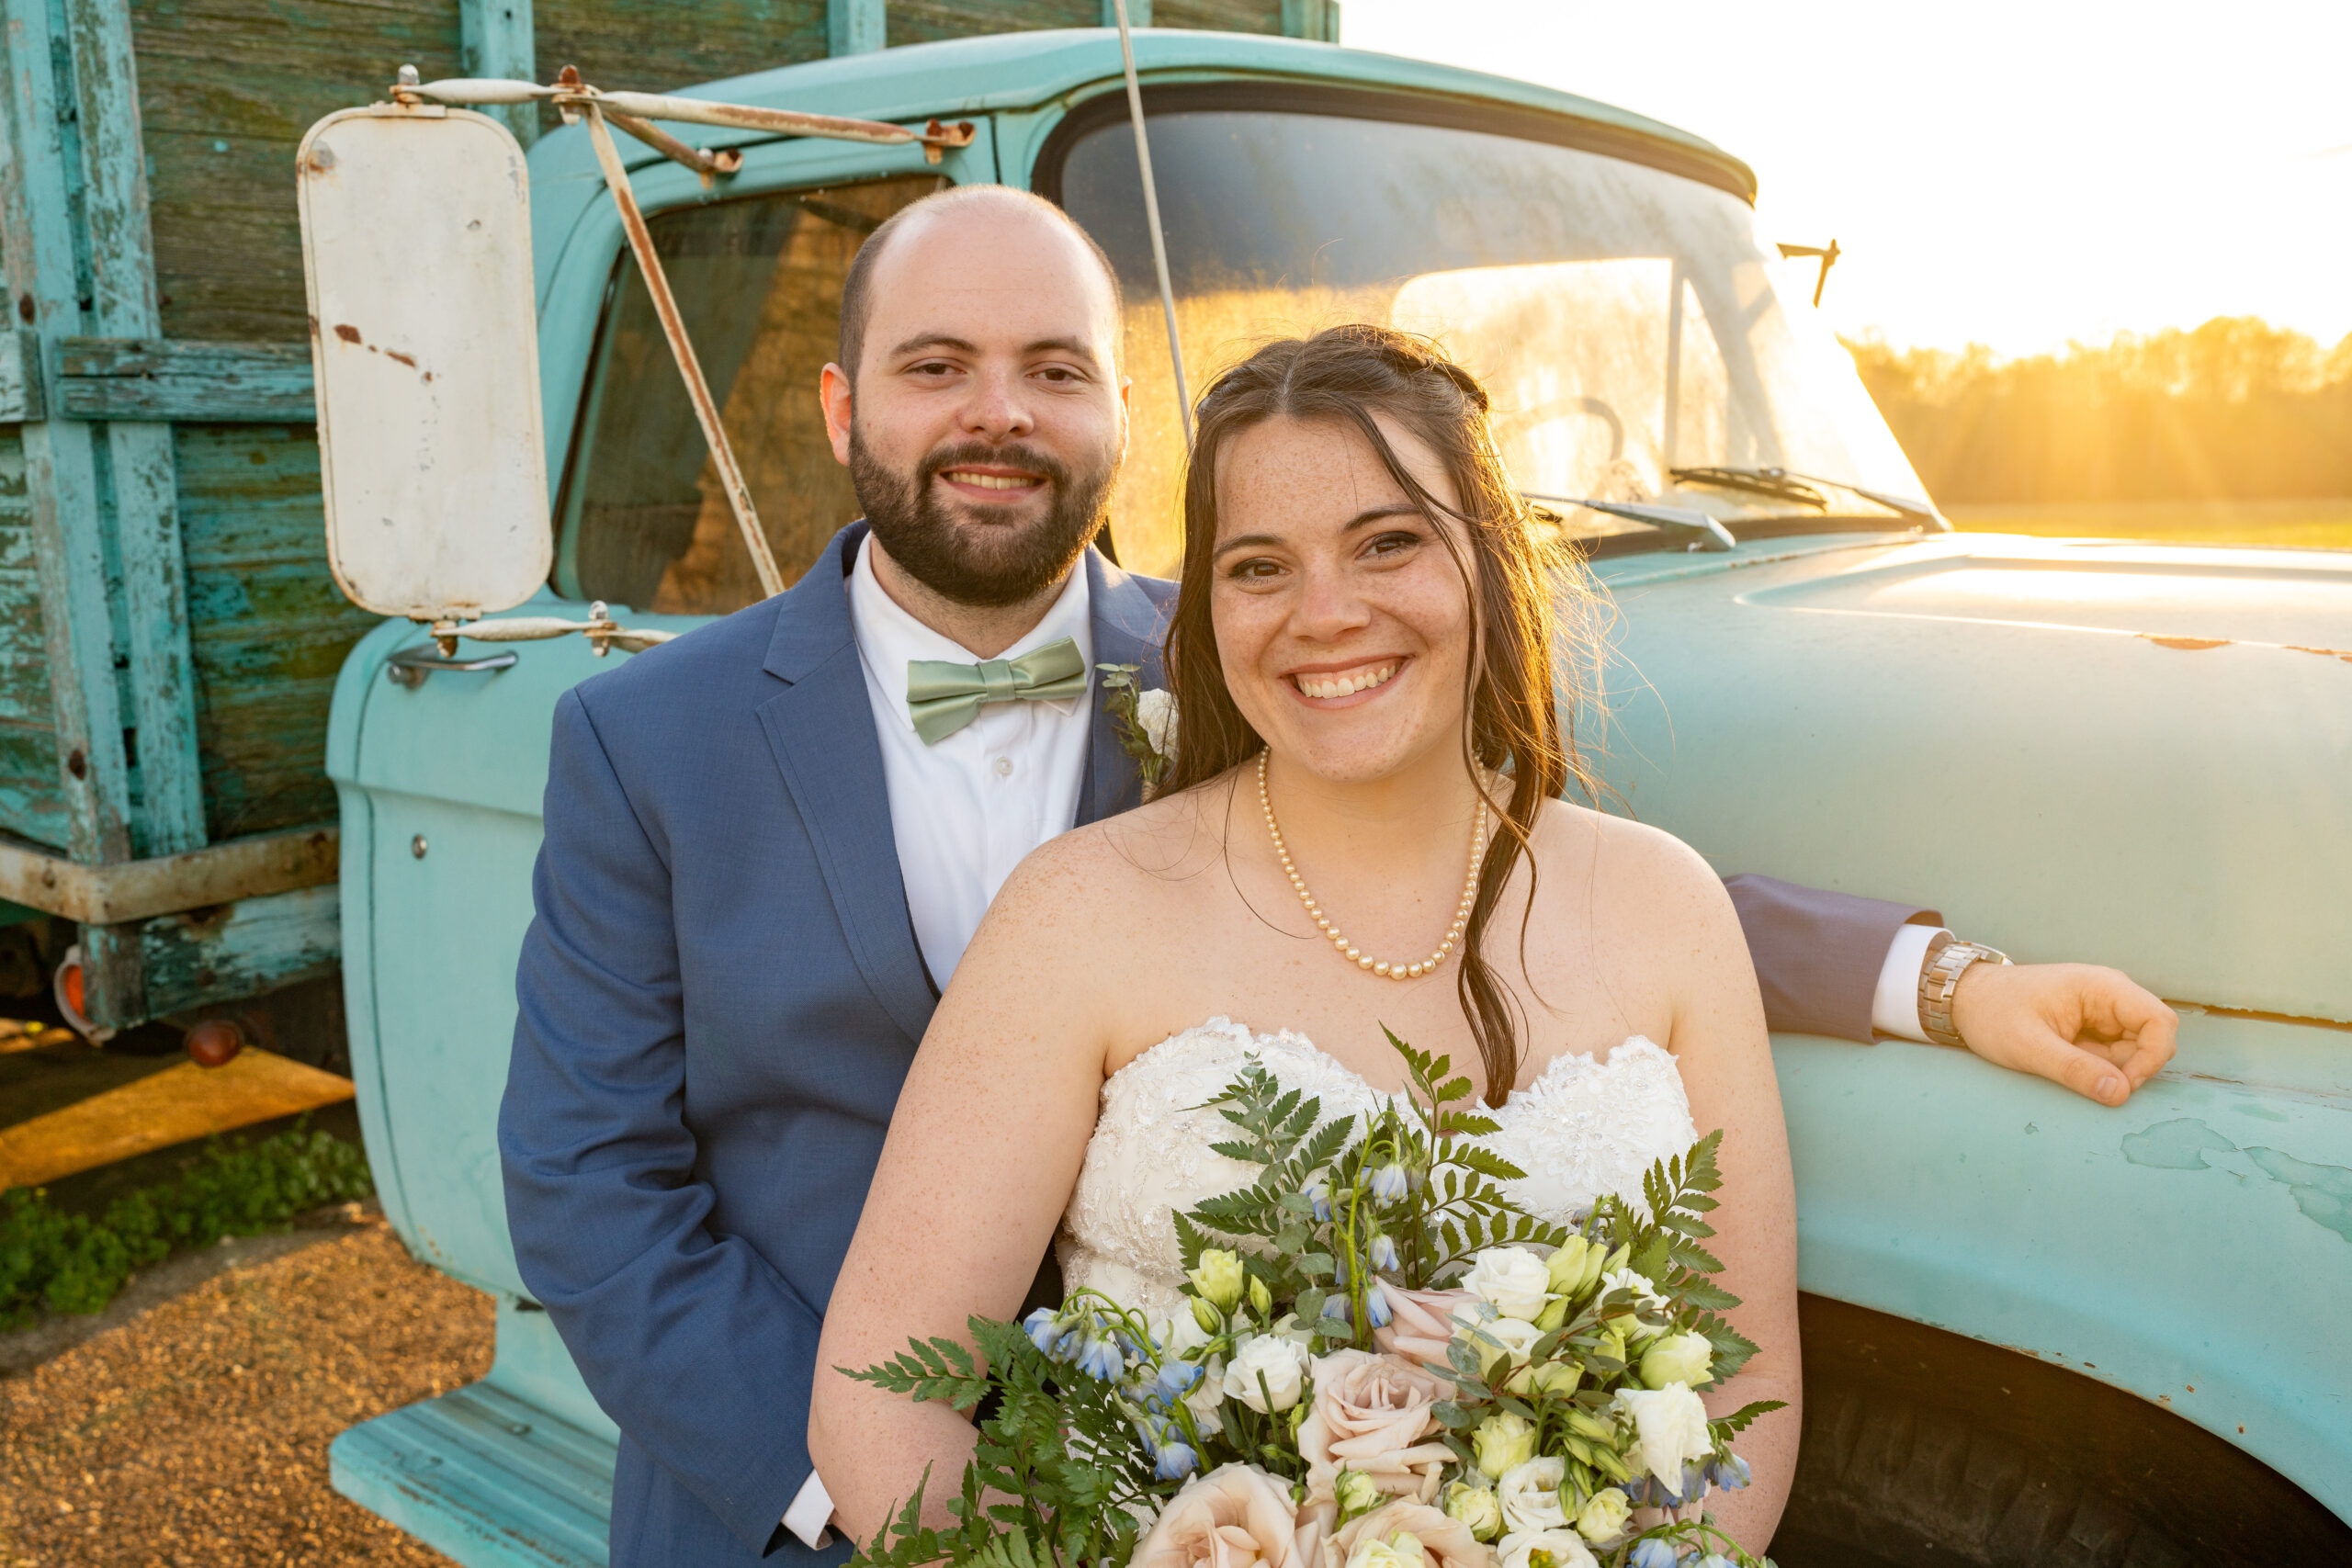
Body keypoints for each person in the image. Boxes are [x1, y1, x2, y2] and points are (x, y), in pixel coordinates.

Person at [499, 186, 2178, 1566]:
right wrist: (858, 1498)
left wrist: (1940, 981)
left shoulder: (1256, 647)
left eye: (1052, 368)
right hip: (798, 1501)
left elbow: (1529, 877)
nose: (999, 411)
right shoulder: (651, 739)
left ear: (1119, 415)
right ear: (842, 405)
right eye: (938, 365)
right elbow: (589, 1187)